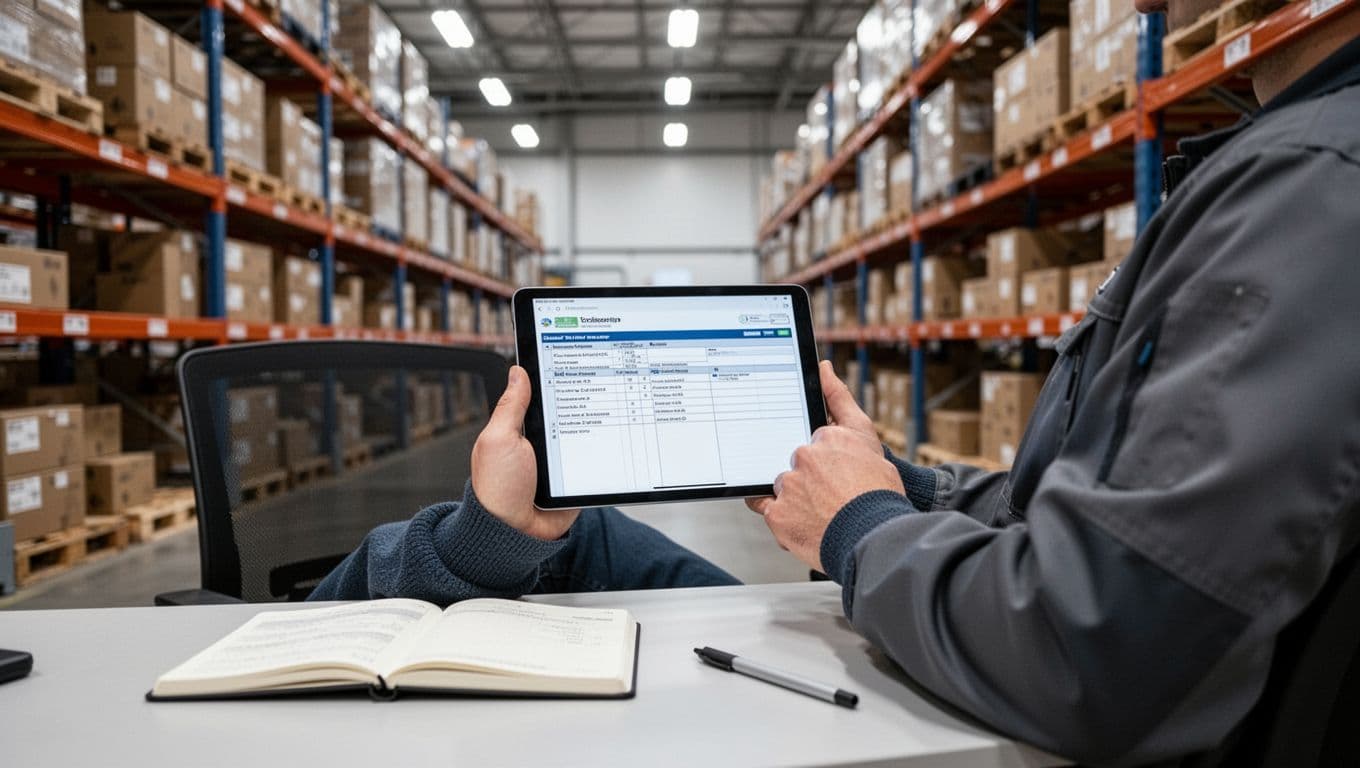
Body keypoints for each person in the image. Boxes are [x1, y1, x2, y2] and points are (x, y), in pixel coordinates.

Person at [314, 1, 1360, 763]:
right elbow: (1107, 519)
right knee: (579, 529)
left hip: (1058, 715)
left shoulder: (1309, 185)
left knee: (548, 542)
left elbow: (1093, 648)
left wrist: (858, 525)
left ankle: (463, 552)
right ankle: (488, 541)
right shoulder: (1299, 172)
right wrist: (894, 485)